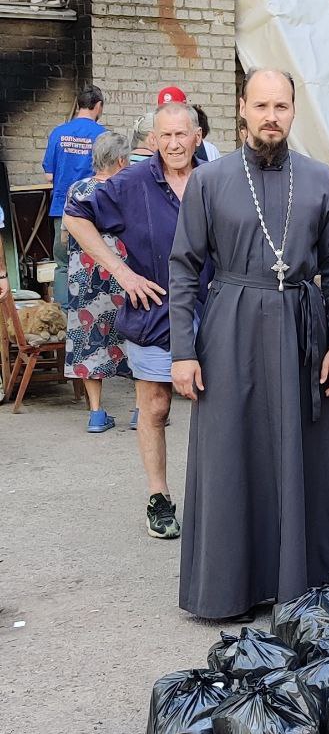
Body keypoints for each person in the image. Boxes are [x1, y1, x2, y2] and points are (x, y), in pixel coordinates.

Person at [168, 68, 329, 621]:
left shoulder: (319, 179)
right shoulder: (210, 180)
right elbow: (184, 269)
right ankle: (230, 589)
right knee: (232, 453)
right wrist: (183, 350)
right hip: (230, 329)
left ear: (293, 112)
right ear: (242, 109)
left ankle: (304, 586)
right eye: (262, 105)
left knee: (303, 453)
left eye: (282, 106)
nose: (272, 116)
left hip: (303, 328)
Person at [62, 102, 209, 539]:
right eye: (165, 136)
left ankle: (220, 501)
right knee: (157, 406)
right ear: (153, 141)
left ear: (197, 136)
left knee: (220, 411)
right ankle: (159, 498)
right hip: (156, 311)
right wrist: (122, 272)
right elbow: (74, 214)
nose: (174, 143)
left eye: (182, 134)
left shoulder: (217, 180)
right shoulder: (131, 183)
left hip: (216, 310)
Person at [62, 131, 133, 432]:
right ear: (120, 160)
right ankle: (142, 411)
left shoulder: (77, 189)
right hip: (122, 274)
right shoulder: (128, 189)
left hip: (85, 279)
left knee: (90, 338)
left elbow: (67, 235)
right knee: (135, 335)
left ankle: (96, 413)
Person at [43, 85, 107, 308]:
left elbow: (49, 175)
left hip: (62, 209)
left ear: (79, 104)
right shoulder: (102, 136)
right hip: (92, 212)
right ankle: (89, 311)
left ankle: (62, 316)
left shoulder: (58, 133)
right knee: (94, 260)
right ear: (98, 106)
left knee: (62, 264)